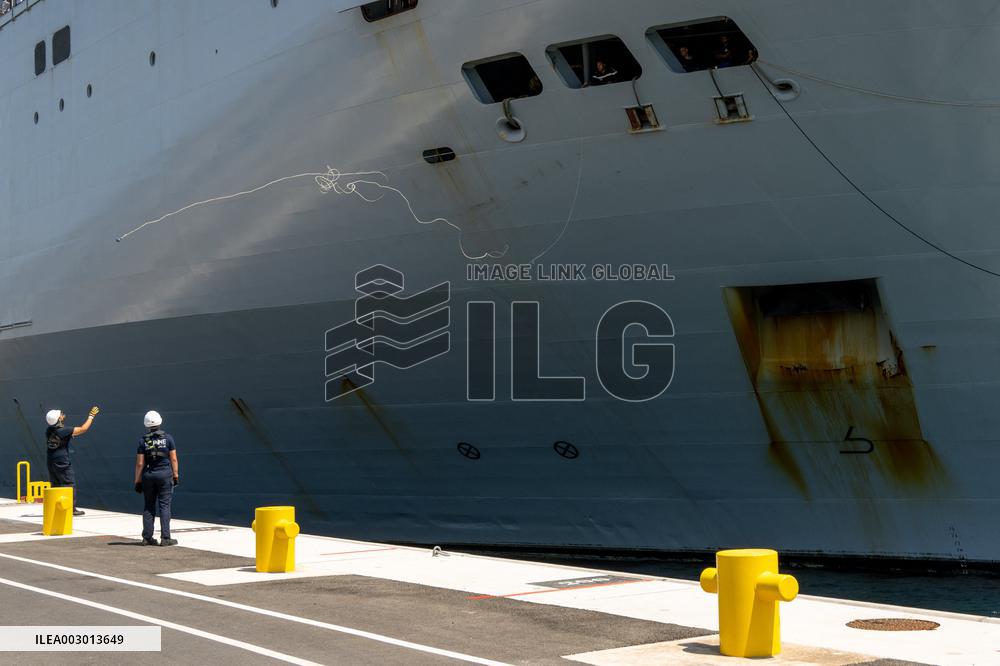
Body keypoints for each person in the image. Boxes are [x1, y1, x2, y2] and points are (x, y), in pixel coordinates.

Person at [133, 411, 179, 546]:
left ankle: (147, 538)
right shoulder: (168, 438)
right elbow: (174, 459)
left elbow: (140, 463)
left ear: (146, 424)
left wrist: (137, 480)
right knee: (164, 506)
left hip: (148, 475)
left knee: (148, 505)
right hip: (165, 475)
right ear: (160, 421)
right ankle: (165, 538)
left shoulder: (142, 440)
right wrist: (175, 475)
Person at [45, 407, 99, 516]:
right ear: (58, 419)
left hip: (51, 460)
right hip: (62, 461)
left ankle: (56, 507)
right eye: (60, 414)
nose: (62, 414)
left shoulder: (49, 430)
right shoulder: (64, 430)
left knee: (55, 484)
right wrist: (91, 416)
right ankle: (71, 509)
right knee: (69, 483)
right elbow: (83, 429)